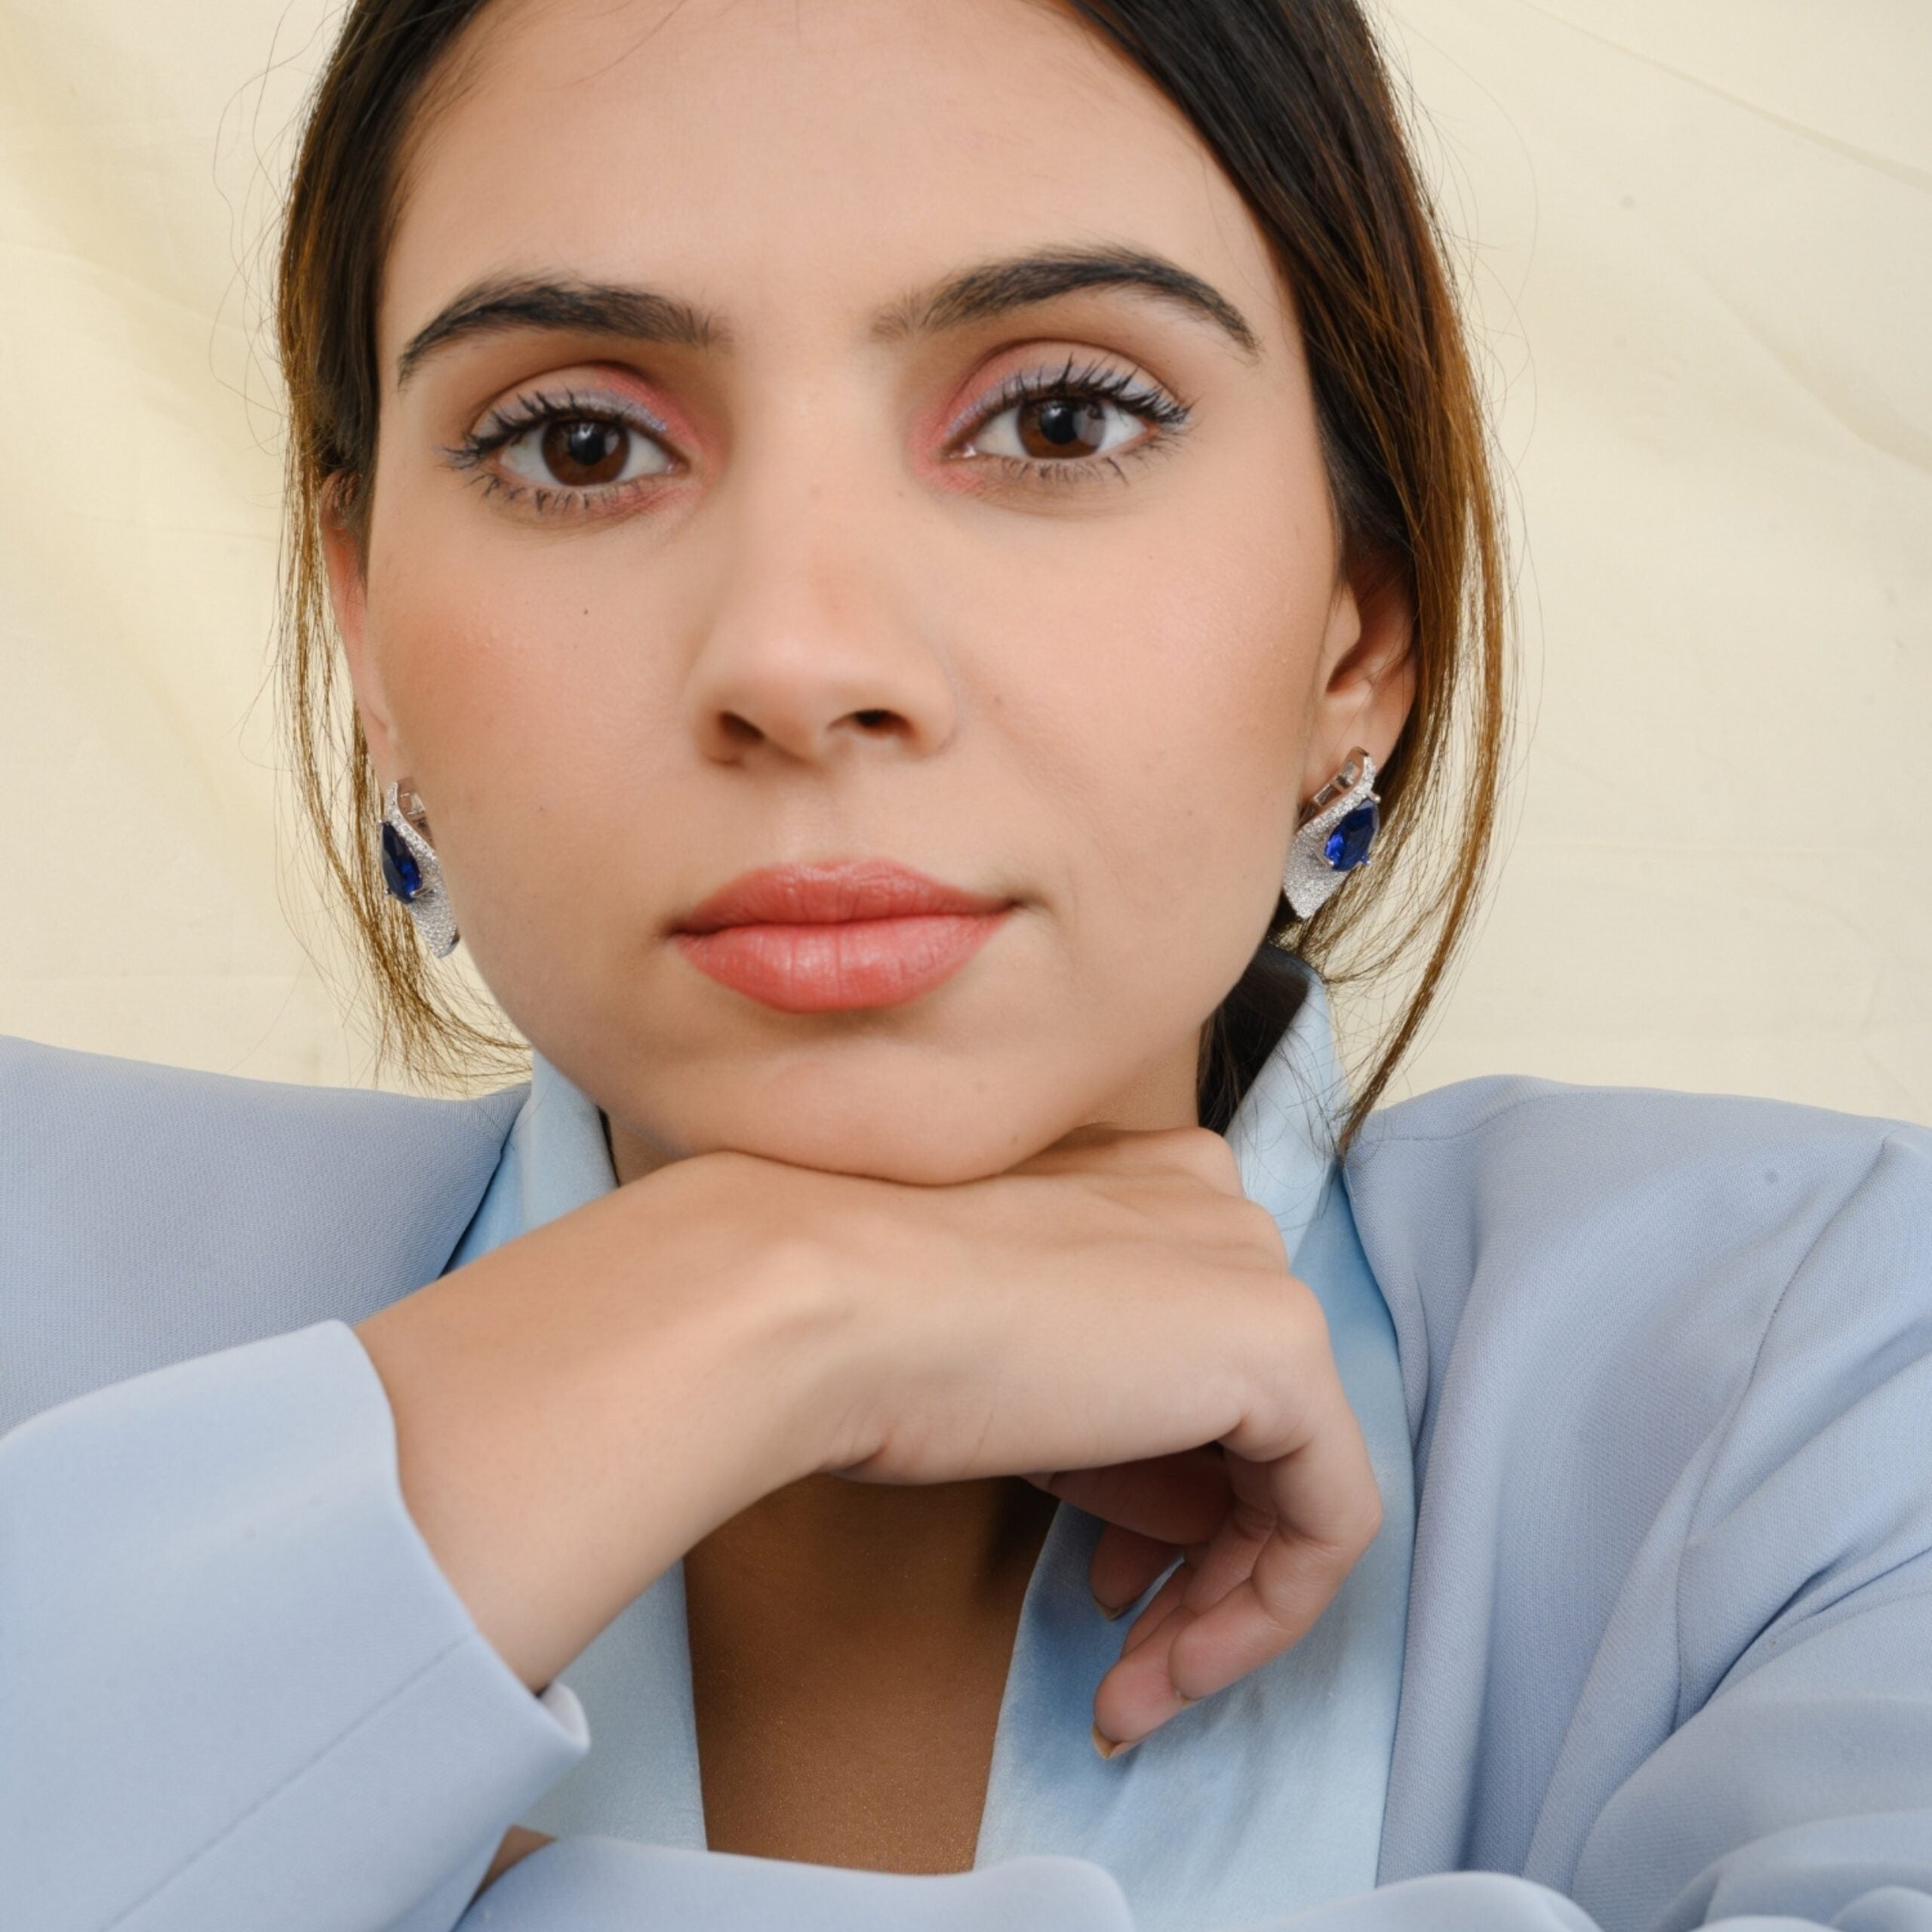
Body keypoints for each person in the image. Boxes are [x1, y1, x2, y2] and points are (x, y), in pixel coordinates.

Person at [2, 1, 1927, 1928]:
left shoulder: (1825, 1372)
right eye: (580, 442)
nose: (801, 655)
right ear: (368, 638)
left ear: (1359, 621)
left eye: (1060, 419)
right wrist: (774, 1298)